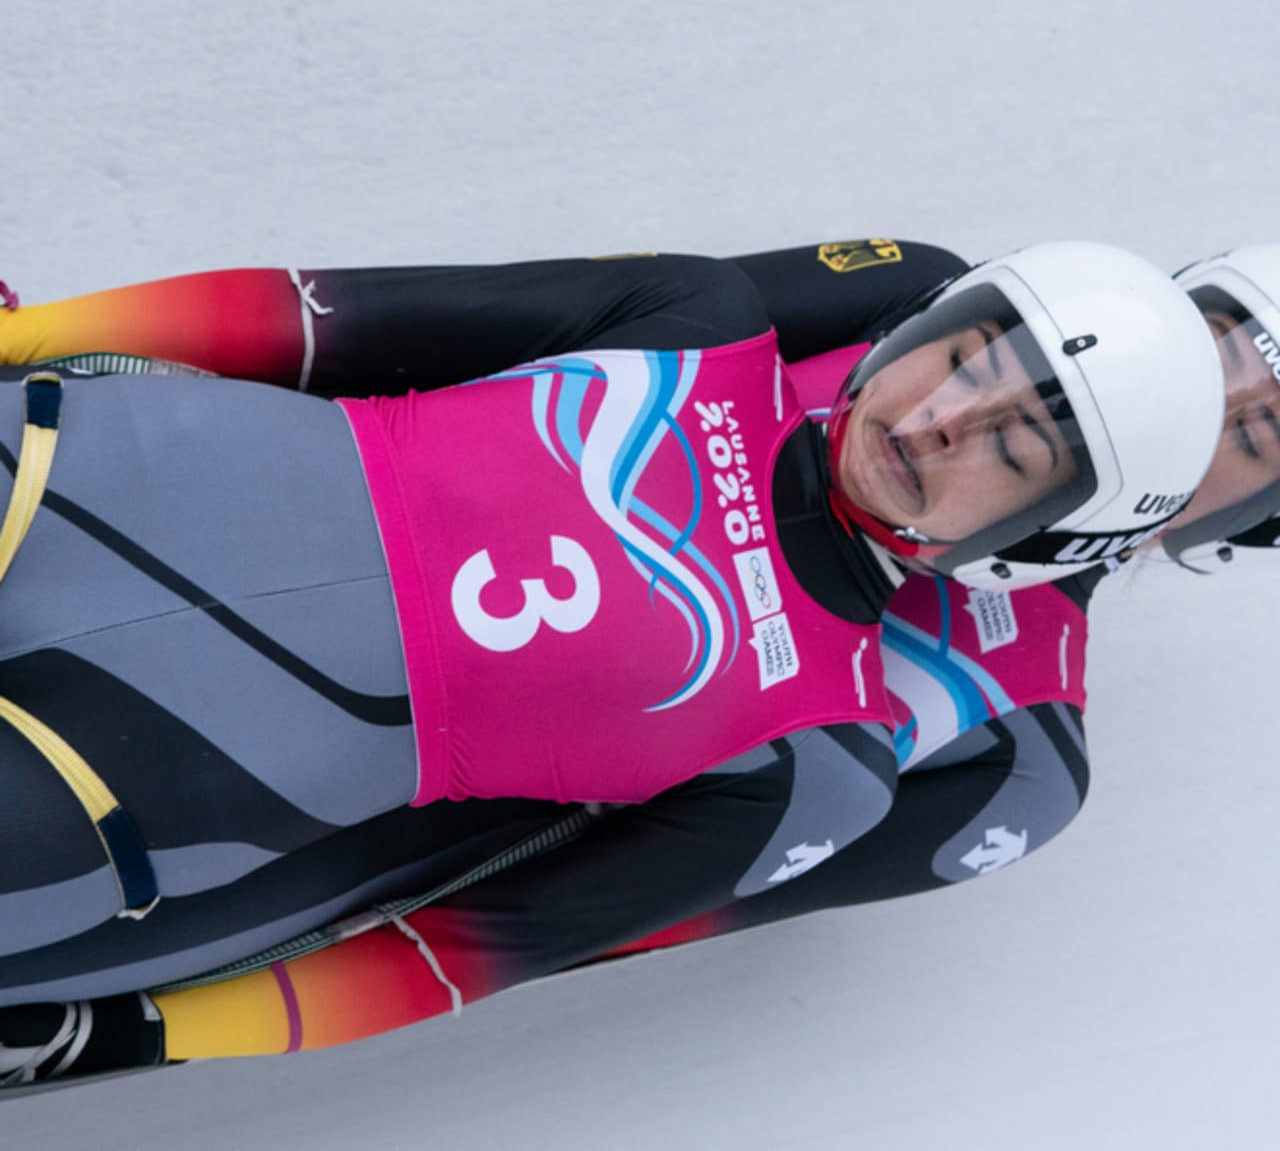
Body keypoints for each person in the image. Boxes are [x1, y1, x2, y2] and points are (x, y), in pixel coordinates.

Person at [0, 239, 1226, 1085]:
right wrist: (39, 336)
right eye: (965, 363)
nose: (936, 422)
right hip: (59, 477)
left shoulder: (818, 760)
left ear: (1043, 540)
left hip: (111, 794)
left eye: (1007, 452)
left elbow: (459, 947)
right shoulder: (696, 319)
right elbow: (313, 317)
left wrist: (132, 1031)